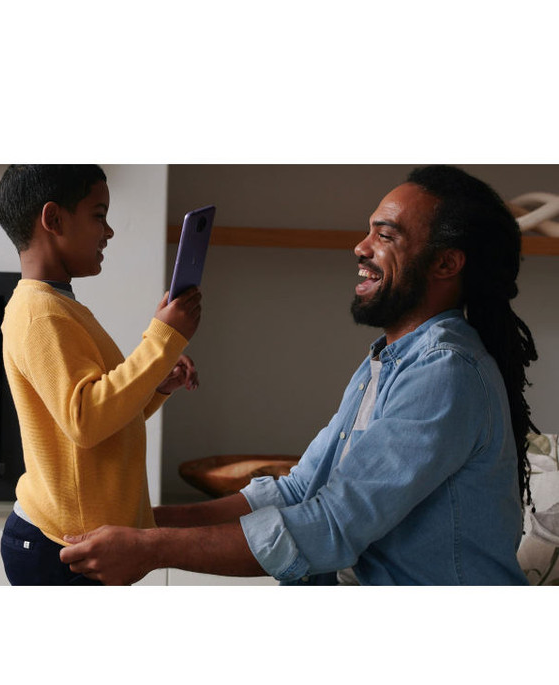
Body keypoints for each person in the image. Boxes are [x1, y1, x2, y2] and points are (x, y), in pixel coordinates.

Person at [60, 165, 539, 586]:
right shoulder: (388, 360)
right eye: (369, 232)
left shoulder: (444, 372)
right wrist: (142, 522)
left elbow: (331, 525)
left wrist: (150, 548)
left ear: (446, 263)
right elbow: (298, 490)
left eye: (386, 236)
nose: (360, 247)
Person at [0, 165, 202, 585]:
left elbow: (99, 420)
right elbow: (86, 421)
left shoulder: (59, 307)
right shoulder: (40, 314)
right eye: (98, 215)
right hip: (59, 547)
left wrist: (155, 385)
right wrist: (161, 341)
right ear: (54, 219)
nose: (108, 231)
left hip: (74, 542)